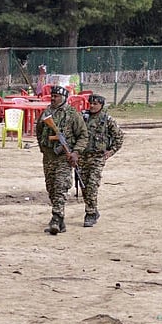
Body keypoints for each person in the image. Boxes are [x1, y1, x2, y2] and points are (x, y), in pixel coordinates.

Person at [35, 85, 88, 235]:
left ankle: (56, 219)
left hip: (64, 158)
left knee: (60, 187)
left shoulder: (72, 114)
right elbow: (39, 130)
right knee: (51, 188)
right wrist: (43, 147)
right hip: (49, 157)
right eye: (52, 96)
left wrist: (76, 152)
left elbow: (83, 135)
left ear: (64, 98)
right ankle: (61, 221)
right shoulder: (46, 112)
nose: (53, 98)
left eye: (56, 96)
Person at [77, 94, 123, 227]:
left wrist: (111, 151)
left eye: (95, 104)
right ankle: (93, 208)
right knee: (84, 186)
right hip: (82, 156)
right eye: (90, 103)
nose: (92, 106)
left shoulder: (107, 119)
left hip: (97, 157)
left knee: (92, 184)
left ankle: (90, 213)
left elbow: (119, 136)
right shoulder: (82, 118)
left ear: (101, 105)